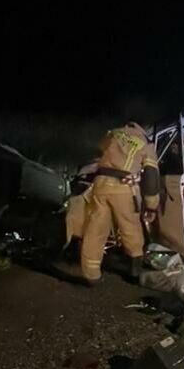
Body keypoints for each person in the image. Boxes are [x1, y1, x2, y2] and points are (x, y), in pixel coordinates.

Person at [79, 122, 160, 285]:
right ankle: (135, 272)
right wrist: (152, 204)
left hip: (100, 185)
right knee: (131, 229)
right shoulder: (145, 142)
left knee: (95, 229)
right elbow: (151, 175)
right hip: (124, 188)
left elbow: (98, 155)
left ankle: (91, 275)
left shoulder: (113, 133)